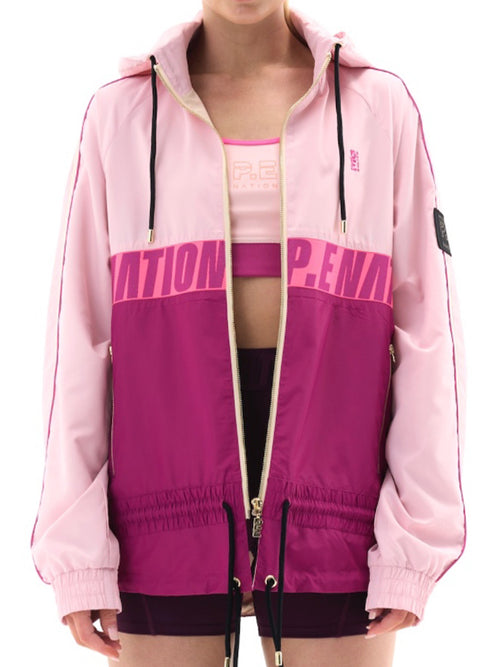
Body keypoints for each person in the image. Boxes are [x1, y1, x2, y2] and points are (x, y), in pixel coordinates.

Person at [30, 1, 467, 665]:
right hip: (161, 517)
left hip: (338, 517)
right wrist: (78, 552)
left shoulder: (378, 107)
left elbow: (429, 336)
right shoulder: (119, 116)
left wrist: (413, 541)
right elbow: (77, 340)